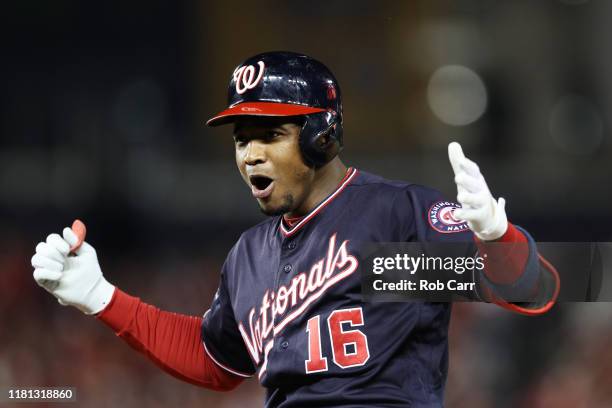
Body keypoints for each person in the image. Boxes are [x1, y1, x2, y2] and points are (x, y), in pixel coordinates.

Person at [31, 51, 559, 407]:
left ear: (320, 137)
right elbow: (216, 360)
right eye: (242, 139)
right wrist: (102, 298)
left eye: (270, 134)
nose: (251, 154)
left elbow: (534, 288)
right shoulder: (250, 256)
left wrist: (497, 238)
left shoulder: (392, 217)